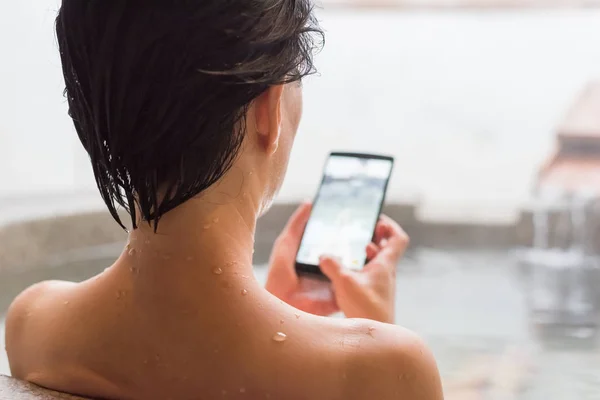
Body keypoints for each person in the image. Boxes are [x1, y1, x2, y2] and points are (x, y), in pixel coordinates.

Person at [5, 1, 444, 399]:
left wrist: (281, 306)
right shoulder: (383, 369)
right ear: (268, 111)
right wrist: (372, 333)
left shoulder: (34, 322)